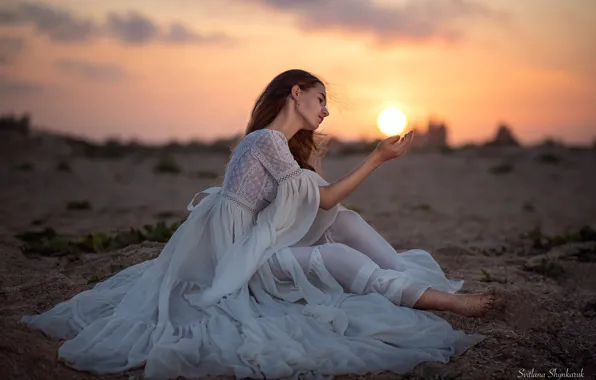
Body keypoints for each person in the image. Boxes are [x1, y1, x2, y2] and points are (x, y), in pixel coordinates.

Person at [21, 69, 497, 380]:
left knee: (345, 222)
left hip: (256, 239)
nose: (326, 109)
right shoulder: (266, 142)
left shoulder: (279, 147)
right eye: (321, 98)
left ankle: (412, 285)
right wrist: (377, 158)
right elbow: (321, 197)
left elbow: (319, 204)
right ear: (296, 92)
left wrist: (373, 161)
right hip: (239, 254)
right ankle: (445, 302)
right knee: (335, 250)